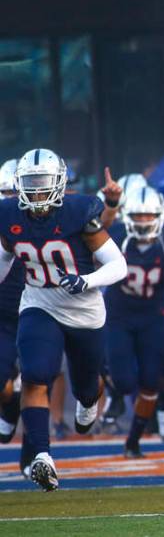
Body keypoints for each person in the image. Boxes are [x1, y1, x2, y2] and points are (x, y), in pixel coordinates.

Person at [0, 149, 128, 490]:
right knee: (35, 375)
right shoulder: (9, 214)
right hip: (39, 303)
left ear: (58, 183)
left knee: (87, 388)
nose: (38, 192)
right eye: (32, 185)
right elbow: (3, 259)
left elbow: (118, 265)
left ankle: (89, 403)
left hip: (85, 310)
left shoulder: (78, 213)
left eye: (44, 184)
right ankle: (42, 456)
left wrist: (86, 281)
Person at [104, 186, 164, 458]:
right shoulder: (115, 236)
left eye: (148, 215)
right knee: (124, 381)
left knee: (151, 380)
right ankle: (111, 399)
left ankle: (133, 441)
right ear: (127, 216)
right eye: (137, 216)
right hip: (120, 316)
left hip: (154, 316)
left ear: (160, 215)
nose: (142, 221)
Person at [0, 160, 24, 445]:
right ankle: (11, 393)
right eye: (7, 193)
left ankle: (36, 450)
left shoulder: (47, 223)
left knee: (41, 374)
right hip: (3, 313)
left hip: (38, 308)